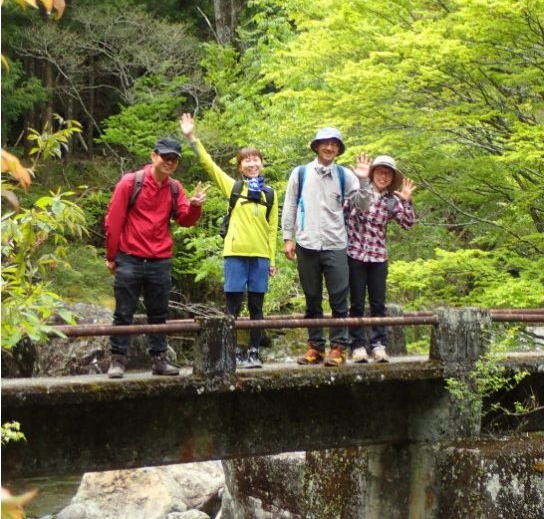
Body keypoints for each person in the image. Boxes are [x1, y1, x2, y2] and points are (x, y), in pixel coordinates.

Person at [179, 113, 279, 369]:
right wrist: (192, 138)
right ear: (239, 166)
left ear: (262, 163)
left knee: (257, 307)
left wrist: (272, 259)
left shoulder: (270, 193)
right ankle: (231, 351)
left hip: (260, 256)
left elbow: (272, 230)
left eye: (255, 159)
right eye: (247, 160)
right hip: (234, 253)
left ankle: (254, 352)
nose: (252, 163)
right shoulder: (233, 187)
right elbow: (209, 165)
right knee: (232, 306)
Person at [105, 137, 210, 379]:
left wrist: (194, 206)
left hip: (159, 258)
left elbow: (184, 220)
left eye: (174, 159)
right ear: (154, 156)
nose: (169, 162)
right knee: (123, 311)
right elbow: (114, 220)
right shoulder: (130, 183)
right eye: (165, 157)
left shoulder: (174, 188)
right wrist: (112, 256)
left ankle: (159, 359)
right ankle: (118, 360)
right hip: (130, 256)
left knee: (159, 312)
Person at [281, 127, 371, 366]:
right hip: (306, 242)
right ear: (316, 146)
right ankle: (315, 347)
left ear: (339, 149)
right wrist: (288, 238)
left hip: (336, 243)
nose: (329, 147)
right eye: (325, 143)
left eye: (334, 144)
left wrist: (363, 179)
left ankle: (338, 348)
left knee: (339, 298)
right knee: (311, 298)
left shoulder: (345, 175)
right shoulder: (300, 173)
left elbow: (363, 205)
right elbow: (289, 205)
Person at [345, 155, 416, 363]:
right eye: (380, 172)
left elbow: (408, 223)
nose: (383, 177)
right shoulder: (357, 193)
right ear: (372, 173)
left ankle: (378, 345)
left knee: (378, 304)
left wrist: (406, 200)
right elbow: (347, 213)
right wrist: (362, 181)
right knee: (356, 303)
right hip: (355, 254)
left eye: (388, 174)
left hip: (378, 257)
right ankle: (357, 345)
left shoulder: (391, 201)